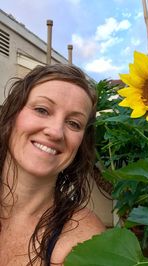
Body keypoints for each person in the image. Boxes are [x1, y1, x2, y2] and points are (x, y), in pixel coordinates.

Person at [0, 64, 105, 266]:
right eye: (42, 110)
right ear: (12, 116)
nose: (56, 132)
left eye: (74, 123)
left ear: (81, 144)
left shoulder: (83, 243)